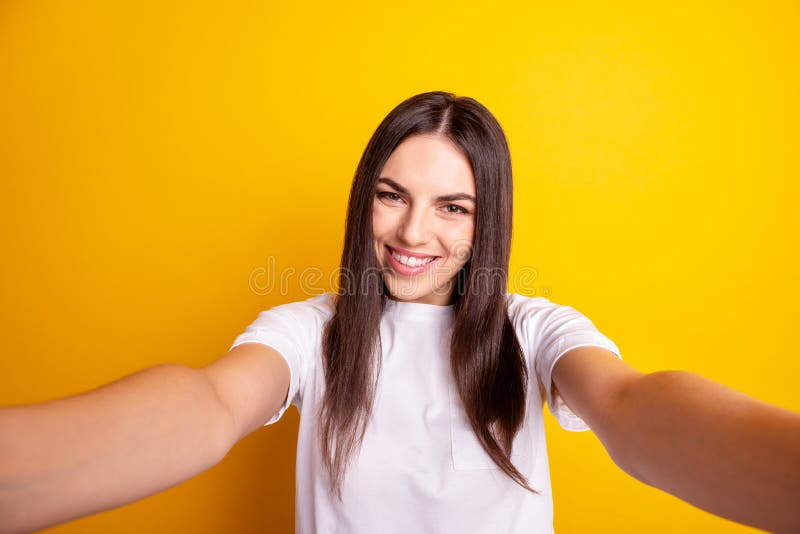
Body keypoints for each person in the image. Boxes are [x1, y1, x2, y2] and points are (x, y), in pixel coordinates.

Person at [0, 91, 798, 534]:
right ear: (363, 203)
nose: (414, 233)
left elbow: (631, 404)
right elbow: (208, 406)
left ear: (489, 222)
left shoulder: (535, 330)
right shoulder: (312, 332)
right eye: (391, 196)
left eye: (453, 207)